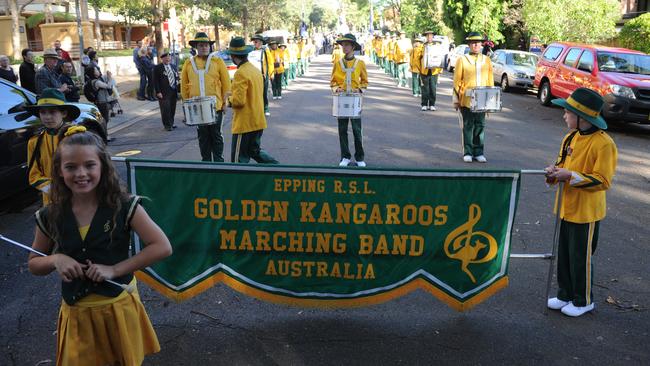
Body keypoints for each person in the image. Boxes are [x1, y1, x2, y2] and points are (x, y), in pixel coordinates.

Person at [28, 125, 172, 365]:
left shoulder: (124, 206)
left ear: (103, 167)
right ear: (59, 171)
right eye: (71, 167)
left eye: (89, 165)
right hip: (77, 315)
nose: (80, 173)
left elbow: (161, 246)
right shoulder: (49, 215)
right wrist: (55, 259)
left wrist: (115, 270)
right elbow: (34, 264)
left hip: (117, 308)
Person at [544, 87, 618, 317]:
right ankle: (565, 293)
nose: (564, 115)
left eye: (568, 112)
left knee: (581, 257)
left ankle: (583, 300)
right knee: (564, 253)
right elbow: (561, 164)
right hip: (566, 207)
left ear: (581, 117)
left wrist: (571, 177)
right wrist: (553, 172)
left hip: (586, 211)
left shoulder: (604, 144)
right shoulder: (570, 137)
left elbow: (603, 180)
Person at [226, 37, 278, 164]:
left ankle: (239, 183)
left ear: (233, 56)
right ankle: (276, 167)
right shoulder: (254, 70)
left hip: (244, 124)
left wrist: (228, 99)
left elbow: (238, 101)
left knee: (238, 161)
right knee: (254, 151)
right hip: (258, 121)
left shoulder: (240, 73)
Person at [181, 32, 231, 162]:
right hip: (197, 107)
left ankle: (219, 161)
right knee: (202, 136)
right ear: (196, 47)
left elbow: (226, 84)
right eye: (201, 45)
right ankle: (206, 162)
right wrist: (185, 106)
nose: (204, 47)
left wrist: (226, 102)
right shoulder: (188, 63)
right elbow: (184, 87)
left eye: (206, 45)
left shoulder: (217, 61)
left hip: (216, 107)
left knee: (216, 135)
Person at [25, 88, 79, 205]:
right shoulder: (34, 142)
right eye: (43, 112)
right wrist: (52, 189)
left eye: (53, 112)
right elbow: (33, 175)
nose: (47, 117)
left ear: (64, 113)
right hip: (51, 201)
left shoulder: (74, 136)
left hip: (77, 196)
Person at [452, 32, 494, 163]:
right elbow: (457, 80)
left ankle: (479, 152)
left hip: (482, 99)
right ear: (469, 44)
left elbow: (490, 80)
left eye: (478, 42)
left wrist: (491, 101)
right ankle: (468, 152)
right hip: (467, 99)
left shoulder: (486, 60)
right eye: (473, 42)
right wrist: (456, 99)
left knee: (480, 125)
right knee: (468, 125)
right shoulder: (462, 60)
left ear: (481, 44)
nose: (476, 45)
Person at [330, 33, 368, 167]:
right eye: (343, 45)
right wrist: (336, 89)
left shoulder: (360, 63)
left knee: (357, 130)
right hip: (341, 100)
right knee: (342, 129)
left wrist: (360, 90)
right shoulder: (338, 63)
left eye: (347, 45)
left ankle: (359, 157)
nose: (344, 47)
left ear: (353, 46)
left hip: (355, 100)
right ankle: (345, 156)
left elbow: (364, 81)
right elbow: (333, 82)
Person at [85, 65, 115, 141]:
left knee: (103, 120)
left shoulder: (91, 81)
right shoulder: (97, 82)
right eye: (96, 70)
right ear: (93, 73)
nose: (98, 71)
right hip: (102, 103)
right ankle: (104, 136)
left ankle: (104, 135)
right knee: (104, 120)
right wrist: (110, 77)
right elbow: (108, 86)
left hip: (98, 103)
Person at [153, 50, 179, 131]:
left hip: (173, 90)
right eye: (166, 58)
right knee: (165, 109)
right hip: (163, 92)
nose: (168, 59)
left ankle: (171, 123)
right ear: (162, 59)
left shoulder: (173, 66)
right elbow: (155, 81)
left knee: (172, 108)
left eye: (169, 57)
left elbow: (177, 77)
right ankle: (167, 125)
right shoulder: (157, 68)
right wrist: (158, 92)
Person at [250, 34, 274, 117]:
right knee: (255, 93)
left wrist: (271, 73)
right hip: (253, 76)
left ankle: (265, 108)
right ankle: (257, 109)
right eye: (254, 41)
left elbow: (270, 63)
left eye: (256, 41)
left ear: (260, 42)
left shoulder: (265, 51)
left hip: (263, 75)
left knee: (264, 93)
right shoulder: (251, 51)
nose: (255, 43)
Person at [419, 32, 444, 111]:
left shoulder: (437, 46)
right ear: (426, 37)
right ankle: (424, 104)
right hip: (424, 70)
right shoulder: (422, 46)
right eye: (428, 36)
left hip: (434, 70)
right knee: (425, 88)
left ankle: (432, 104)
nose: (429, 37)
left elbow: (440, 57)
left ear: (433, 37)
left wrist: (440, 70)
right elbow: (418, 58)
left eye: (431, 36)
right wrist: (418, 69)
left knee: (433, 88)